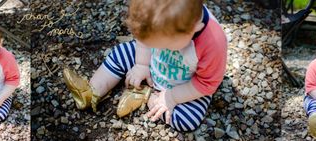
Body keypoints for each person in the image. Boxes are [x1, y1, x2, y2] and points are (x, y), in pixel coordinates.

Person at [64, 0, 227, 132]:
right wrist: (141, 64)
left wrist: (171, 97)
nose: (161, 48)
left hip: (184, 85)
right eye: (154, 43)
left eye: (165, 45)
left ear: (194, 28)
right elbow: (142, 39)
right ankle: (92, 91)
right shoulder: (155, 17)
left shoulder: (213, 43)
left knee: (186, 120)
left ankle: (147, 95)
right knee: (121, 53)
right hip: (151, 63)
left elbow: (207, 83)